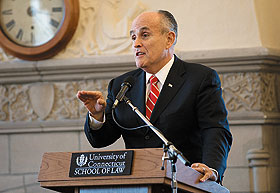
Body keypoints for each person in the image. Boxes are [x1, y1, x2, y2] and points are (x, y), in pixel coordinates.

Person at [77, 10, 232, 183]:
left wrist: (211, 168)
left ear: (169, 39)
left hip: (186, 182)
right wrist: (97, 117)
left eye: (144, 35)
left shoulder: (200, 78)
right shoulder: (122, 85)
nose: (136, 43)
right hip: (137, 183)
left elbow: (215, 129)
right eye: (133, 37)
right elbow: (101, 140)